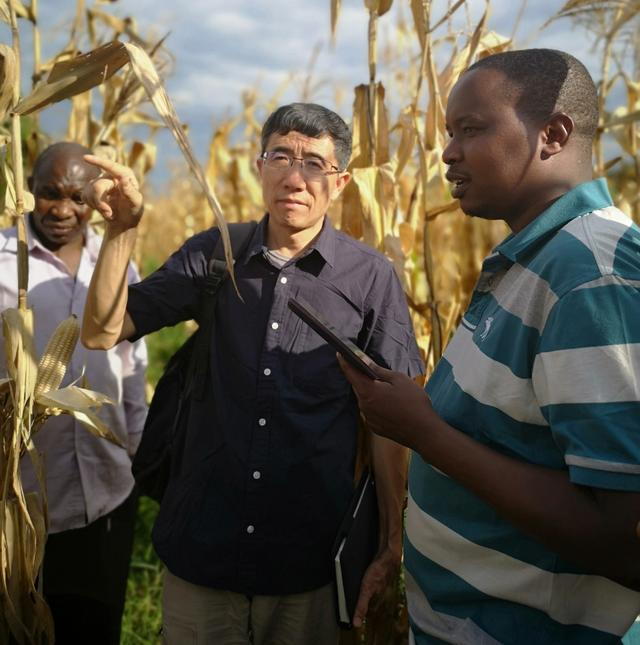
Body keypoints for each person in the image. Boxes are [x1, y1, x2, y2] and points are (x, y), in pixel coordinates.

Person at [81, 102, 423, 645]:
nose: (294, 176)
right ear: (258, 165)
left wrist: (388, 544)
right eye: (281, 156)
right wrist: (122, 230)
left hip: (306, 560)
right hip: (202, 545)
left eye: (313, 163)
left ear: (340, 182)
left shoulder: (370, 279)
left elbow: (388, 422)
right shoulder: (215, 253)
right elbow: (102, 331)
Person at [338, 49, 640, 644]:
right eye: (450, 133)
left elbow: (623, 537)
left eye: (471, 130)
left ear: (552, 135)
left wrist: (424, 433)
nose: (448, 152)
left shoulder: (589, 278)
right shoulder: (539, 259)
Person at [0, 142, 148, 645]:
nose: (62, 210)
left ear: (96, 201)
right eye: (48, 194)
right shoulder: (4, 261)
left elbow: (132, 368)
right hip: (18, 499)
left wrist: (137, 452)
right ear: (30, 193)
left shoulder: (118, 264)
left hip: (107, 493)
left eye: (77, 198)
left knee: (93, 627)